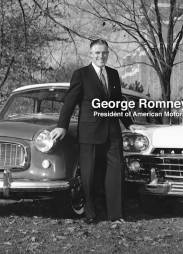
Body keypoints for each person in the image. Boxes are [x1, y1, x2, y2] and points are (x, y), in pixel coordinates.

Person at [50, 39, 135, 224]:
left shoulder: (113, 74)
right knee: (88, 175)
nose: (100, 56)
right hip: (89, 132)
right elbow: (70, 102)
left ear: (108, 53)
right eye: (97, 53)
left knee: (115, 173)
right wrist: (61, 125)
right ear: (90, 54)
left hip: (112, 132)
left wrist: (129, 124)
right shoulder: (81, 74)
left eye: (104, 52)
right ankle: (91, 214)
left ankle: (116, 215)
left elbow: (118, 103)